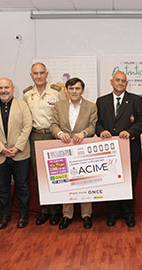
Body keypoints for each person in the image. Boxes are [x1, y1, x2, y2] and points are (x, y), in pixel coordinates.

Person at [95, 71, 142, 227]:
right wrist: (101, 131)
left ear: (127, 83)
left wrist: (130, 132)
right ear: (111, 82)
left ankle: (129, 215)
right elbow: (96, 122)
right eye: (117, 80)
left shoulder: (136, 100)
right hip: (108, 151)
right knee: (111, 183)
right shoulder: (101, 101)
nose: (120, 83)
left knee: (128, 184)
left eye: (123, 81)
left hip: (130, 149)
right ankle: (112, 214)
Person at [0, 78, 32, 229]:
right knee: (2, 187)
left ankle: (23, 214)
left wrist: (17, 147)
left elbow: (27, 126)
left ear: (12, 88)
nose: (3, 91)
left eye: (6, 87)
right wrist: (1, 148)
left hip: (20, 154)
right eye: (0, 88)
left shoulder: (22, 105)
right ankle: (5, 215)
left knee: (22, 186)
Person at [50, 77, 97, 230]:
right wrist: (59, 134)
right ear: (66, 90)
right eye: (71, 89)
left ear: (82, 90)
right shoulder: (59, 105)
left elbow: (93, 126)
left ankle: (86, 215)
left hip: (83, 147)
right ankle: (67, 215)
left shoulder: (91, 106)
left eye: (77, 88)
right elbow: (53, 124)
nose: (74, 91)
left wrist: (84, 132)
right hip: (64, 148)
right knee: (66, 182)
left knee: (85, 181)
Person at [23, 62, 66, 226]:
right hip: (35, 137)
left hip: (53, 136)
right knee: (38, 176)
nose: (39, 76)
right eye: (35, 73)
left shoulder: (56, 92)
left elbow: (63, 113)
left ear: (46, 74)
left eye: (41, 73)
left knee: (55, 175)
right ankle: (44, 210)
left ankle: (55, 211)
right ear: (31, 76)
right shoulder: (27, 94)